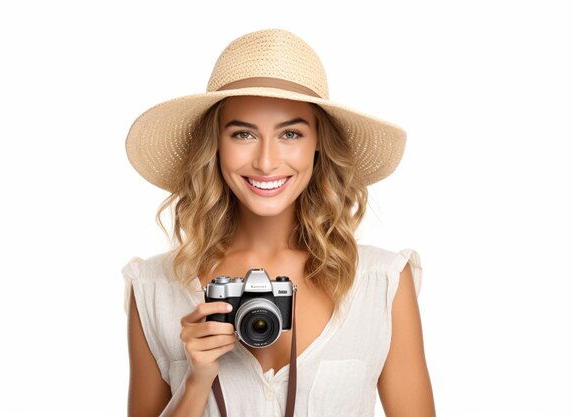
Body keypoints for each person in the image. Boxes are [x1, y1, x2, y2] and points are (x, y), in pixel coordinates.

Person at [122, 28, 435, 417]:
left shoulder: (381, 280)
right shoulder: (154, 287)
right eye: (243, 134)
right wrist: (196, 379)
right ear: (215, 144)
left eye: (290, 133)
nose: (267, 162)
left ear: (318, 141)